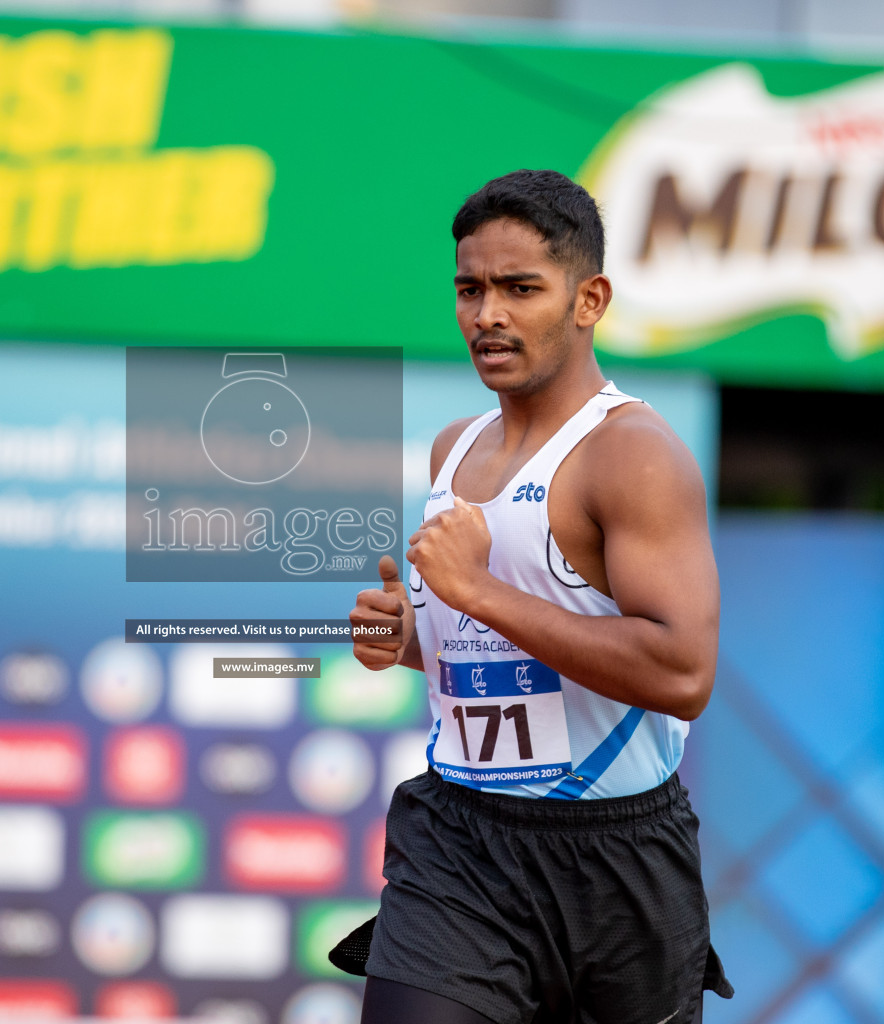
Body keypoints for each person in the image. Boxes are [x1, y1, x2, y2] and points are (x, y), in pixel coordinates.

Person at [346, 169, 733, 1024]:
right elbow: (501, 649)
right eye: (470, 289)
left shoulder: (630, 453)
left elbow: (681, 673)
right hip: (459, 845)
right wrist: (411, 636)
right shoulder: (455, 448)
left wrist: (477, 592)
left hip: (620, 861)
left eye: (521, 289)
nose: (489, 314)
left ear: (589, 298)